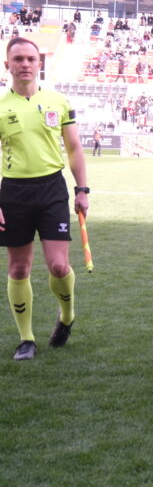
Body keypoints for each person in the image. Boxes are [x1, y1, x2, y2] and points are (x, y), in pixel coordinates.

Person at [1, 37, 89, 360]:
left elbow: (75, 148)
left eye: (30, 59)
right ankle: (27, 339)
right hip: (13, 191)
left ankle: (66, 316)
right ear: (7, 65)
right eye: (18, 59)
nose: (25, 64)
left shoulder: (58, 101)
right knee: (19, 268)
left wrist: (82, 189)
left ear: (40, 63)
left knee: (58, 264)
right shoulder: (1, 106)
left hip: (52, 189)